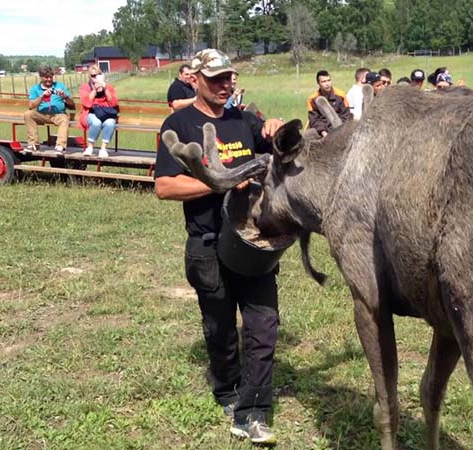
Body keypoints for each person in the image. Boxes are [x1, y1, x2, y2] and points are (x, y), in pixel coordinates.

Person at [154, 49, 285, 445]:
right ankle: (227, 390)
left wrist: (274, 127)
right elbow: (164, 186)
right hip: (209, 244)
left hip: (254, 241)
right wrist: (219, 181)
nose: (226, 85)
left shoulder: (243, 119)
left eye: (230, 78)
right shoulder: (179, 124)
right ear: (195, 79)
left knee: (264, 327)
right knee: (221, 329)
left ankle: (254, 412)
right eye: (217, 79)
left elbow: (272, 142)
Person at [23, 65, 75, 154]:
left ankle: (60, 146)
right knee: (28, 114)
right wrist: (42, 96)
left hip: (58, 114)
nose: (49, 79)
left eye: (50, 77)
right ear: (41, 77)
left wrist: (65, 97)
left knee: (64, 119)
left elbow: (71, 104)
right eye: (46, 77)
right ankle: (33, 144)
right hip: (41, 114)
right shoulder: (35, 89)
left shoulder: (60, 86)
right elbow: (31, 106)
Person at [79, 64, 118, 158]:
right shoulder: (85, 87)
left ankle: (103, 149)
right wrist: (95, 90)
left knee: (111, 123)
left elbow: (113, 103)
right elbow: (86, 103)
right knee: (96, 122)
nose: (95, 78)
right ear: (89, 76)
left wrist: (105, 89)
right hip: (91, 113)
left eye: (97, 75)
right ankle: (90, 147)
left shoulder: (108, 87)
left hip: (106, 114)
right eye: (93, 76)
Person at [307, 70, 351, 136]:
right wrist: (323, 132)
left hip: (340, 128)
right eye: (323, 81)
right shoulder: (312, 99)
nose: (327, 84)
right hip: (322, 130)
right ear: (318, 83)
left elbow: (346, 115)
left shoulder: (341, 95)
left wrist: (340, 130)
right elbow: (314, 119)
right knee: (307, 135)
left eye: (329, 80)